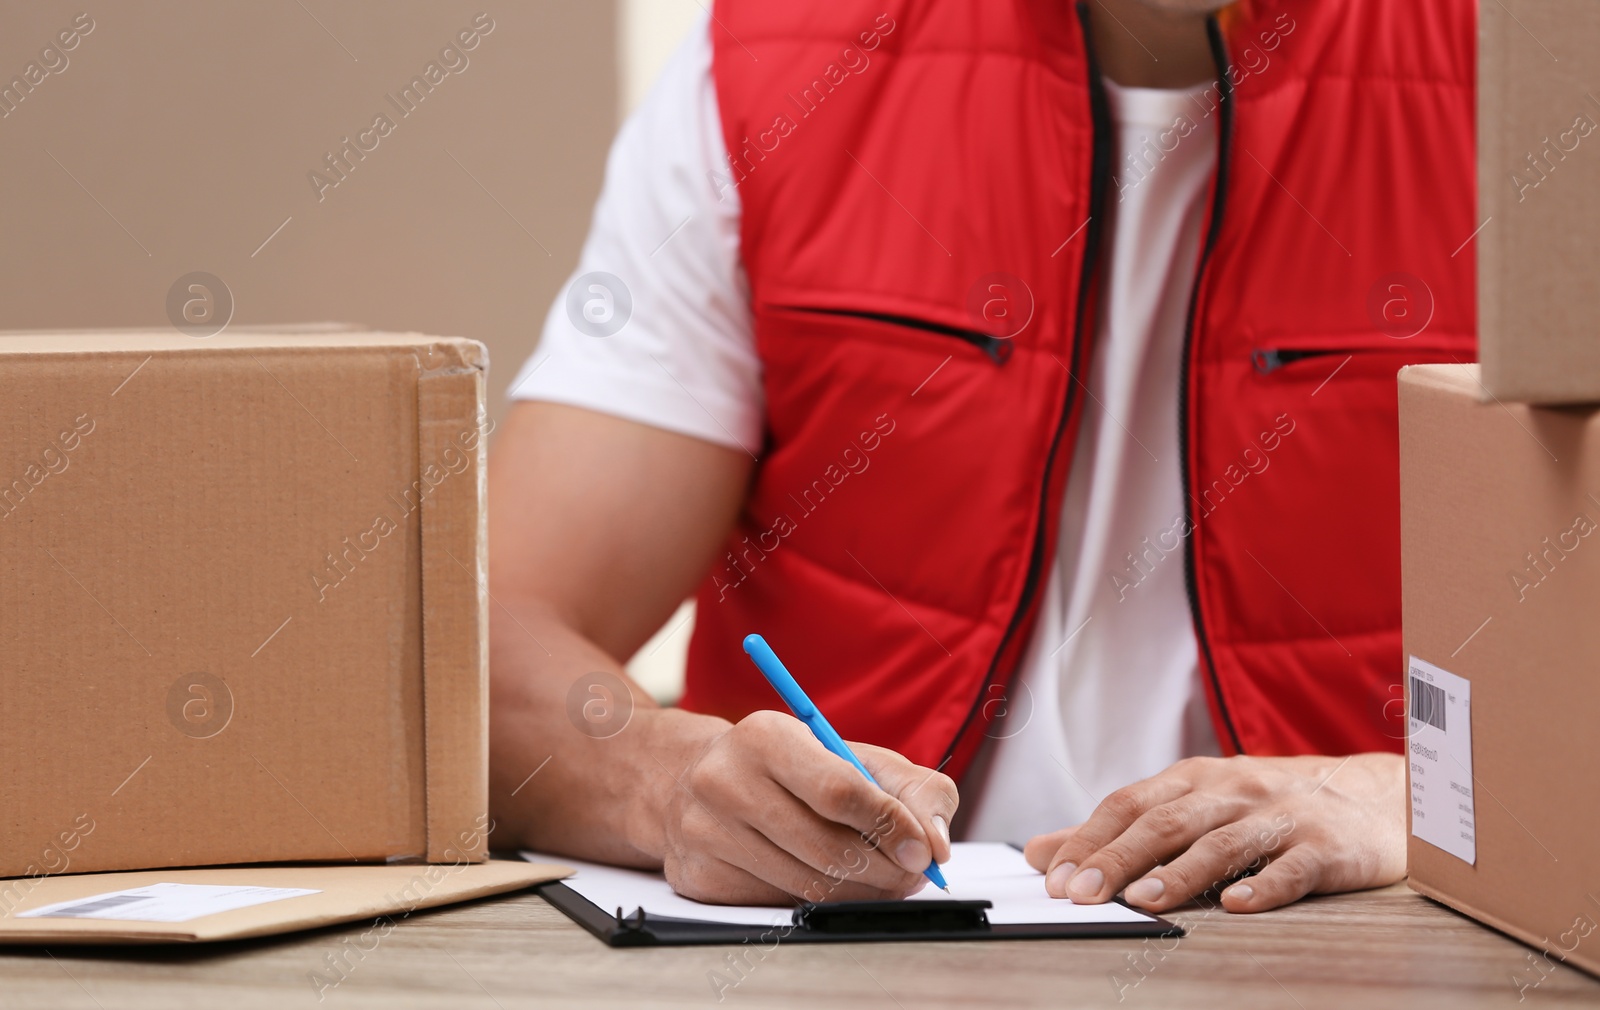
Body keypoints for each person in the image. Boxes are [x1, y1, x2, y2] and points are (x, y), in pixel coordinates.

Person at [486, 0, 1475, 914]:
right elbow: (475, 647)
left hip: (1348, 952)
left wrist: (1419, 797)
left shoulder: (1532, 67)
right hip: (864, 959)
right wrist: (665, 779)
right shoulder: (778, 57)